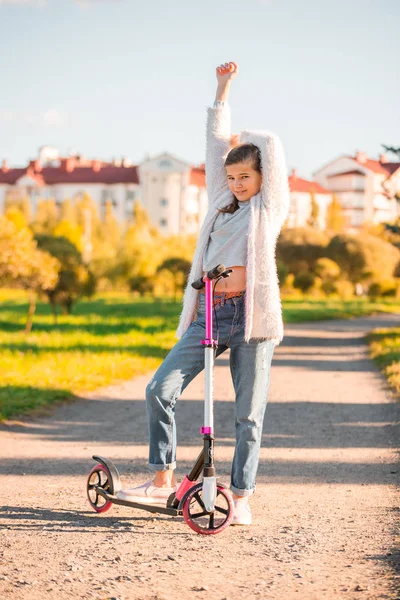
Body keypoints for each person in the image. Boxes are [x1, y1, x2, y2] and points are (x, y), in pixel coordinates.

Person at [117, 61, 290, 525]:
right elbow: (216, 148)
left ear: (262, 179)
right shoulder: (220, 203)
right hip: (209, 314)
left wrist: (247, 137)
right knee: (160, 388)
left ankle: (241, 497)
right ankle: (161, 480)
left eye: (245, 178)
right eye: (231, 178)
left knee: (248, 416)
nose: (236, 184)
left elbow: (268, 151)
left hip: (251, 320)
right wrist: (221, 90)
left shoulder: (267, 209)